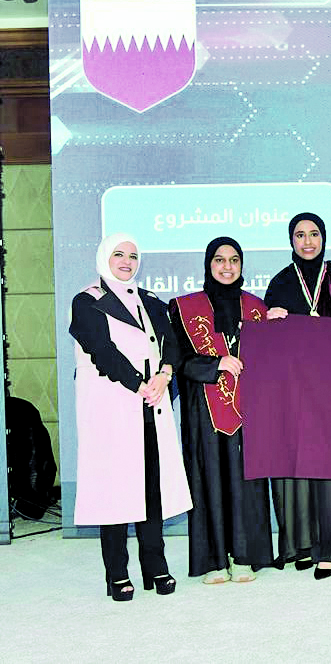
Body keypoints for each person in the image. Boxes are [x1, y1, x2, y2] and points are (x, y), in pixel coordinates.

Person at [70, 233, 191, 601]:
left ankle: (155, 566)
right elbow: (102, 351)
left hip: (150, 407)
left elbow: (172, 343)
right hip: (113, 409)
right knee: (115, 491)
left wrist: (165, 375)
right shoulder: (87, 301)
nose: (126, 262)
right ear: (104, 258)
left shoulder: (150, 300)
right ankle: (117, 574)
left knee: (151, 490)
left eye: (133, 256)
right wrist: (140, 384)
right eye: (119, 255)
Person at [169, 236, 281, 583]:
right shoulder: (183, 308)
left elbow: (274, 360)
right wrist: (215, 363)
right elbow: (177, 360)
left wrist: (281, 326)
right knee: (209, 480)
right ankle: (214, 560)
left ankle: (245, 556)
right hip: (203, 408)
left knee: (246, 482)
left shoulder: (257, 308)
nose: (227, 266)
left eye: (234, 260)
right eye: (219, 260)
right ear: (209, 264)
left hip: (249, 410)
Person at [263, 212, 331, 580]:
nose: (308, 242)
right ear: (291, 240)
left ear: (324, 238)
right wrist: (269, 322)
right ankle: (302, 544)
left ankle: (330, 547)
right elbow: (267, 346)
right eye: (300, 235)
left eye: (314, 234)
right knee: (298, 467)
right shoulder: (279, 284)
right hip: (294, 392)